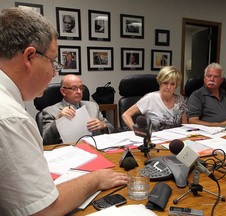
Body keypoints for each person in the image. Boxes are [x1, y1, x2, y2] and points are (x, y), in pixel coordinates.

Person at [0, 7, 127, 216]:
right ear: (29, 57)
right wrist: (96, 178)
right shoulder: (11, 118)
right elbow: (43, 210)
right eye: (52, 61)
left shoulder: (91, 106)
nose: (53, 72)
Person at [42, 74, 114, 145]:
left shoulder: (93, 106)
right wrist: (58, 120)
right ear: (63, 91)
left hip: (93, 147)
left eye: (81, 88)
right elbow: (45, 141)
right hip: (67, 150)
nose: (79, 92)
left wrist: (103, 126)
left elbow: (111, 128)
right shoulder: (50, 111)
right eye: (74, 88)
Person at [122, 66, 187, 131]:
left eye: (172, 84)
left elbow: (185, 125)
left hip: (175, 138)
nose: (169, 87)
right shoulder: (150, 98)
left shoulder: (180, 100)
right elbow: (126, 115)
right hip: (154, 138)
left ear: (176, 86)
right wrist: (136, 131)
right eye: (165, 83)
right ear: (160, 83)